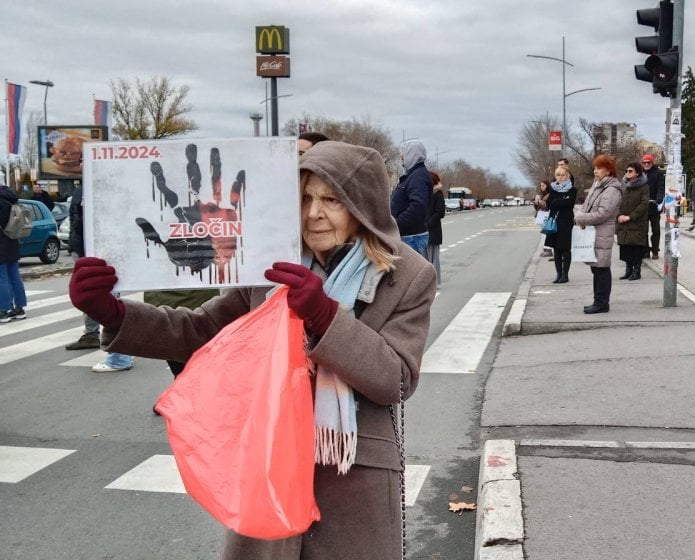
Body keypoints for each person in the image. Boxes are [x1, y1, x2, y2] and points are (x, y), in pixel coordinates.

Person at [68, 140, 437, 558]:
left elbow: (395, 379)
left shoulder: (407, 275)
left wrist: (325, 317)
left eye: (331, 200)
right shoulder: (270, 264)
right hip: (270, 462)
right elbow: (201, 329)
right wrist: (114, 313)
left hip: (353, 476)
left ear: (362, 206)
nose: (313, 213)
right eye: (303, 198)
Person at [62, 183, 135, 371]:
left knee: (111, 300)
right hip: (94, 250)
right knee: (98, 299)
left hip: (106, 251)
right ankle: (93, 336)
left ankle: (120, 357)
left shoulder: (101, 183)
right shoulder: (85, 186)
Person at [574, 154, 623, 314]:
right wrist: (580, 214)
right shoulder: (598, 185)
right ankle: (598, 301)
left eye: (599, 168)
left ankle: (602, 303)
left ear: (608, 171)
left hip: (602, 232)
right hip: (593, 232)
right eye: (595, 168)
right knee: (596, 268)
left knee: (602, 268)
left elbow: (603, 213)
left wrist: (581, 218)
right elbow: (586, 205)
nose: (595, 171)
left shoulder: (612, 189)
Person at [391, 141, 432, 255]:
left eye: (404, 154)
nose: (401, 157)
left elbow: (418, 207)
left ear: (412, 154)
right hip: (408, 237)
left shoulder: (418, 176)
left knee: (409, 272)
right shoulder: (412, 175)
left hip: (412, 239)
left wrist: (395, 225)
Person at [616, 162, 649, 281]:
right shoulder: (624, 186)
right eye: (626, 171)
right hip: (623, 221)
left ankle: (637, 270)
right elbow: (618, 201)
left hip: (636, 222)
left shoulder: (643, 187)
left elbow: (644, 204)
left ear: (637, 173)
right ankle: (628, 269)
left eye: (630, 171)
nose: (627, 173)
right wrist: (619, 215)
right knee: (626, 247)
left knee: (636, 247)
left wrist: (631, 216)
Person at [0, 183, 28, 323]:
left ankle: (4, 311)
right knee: (15, 277)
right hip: (13, 241)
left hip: (1, 244)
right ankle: (19, 308)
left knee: (2, 279)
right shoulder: (11, 199)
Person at [545, 166, 577, 284]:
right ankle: (558, 273)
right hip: (554, 221)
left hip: (566, 221)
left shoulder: (572, 189)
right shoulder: (552, 188)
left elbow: (569, 204)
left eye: (563, 175)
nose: (560, 177)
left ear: (567, 175)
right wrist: (560, 202)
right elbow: (549, 205)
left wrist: (557, 202)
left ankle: (565, 274)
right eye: (558, 175)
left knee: (565, 248)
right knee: (556, 249)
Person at [640, 154, 664, 259]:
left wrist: (658, 199)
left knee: (656, 230)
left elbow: (661, 188)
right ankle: (645, 251)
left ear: (652, 163)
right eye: (644, 162)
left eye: (648, 162)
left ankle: (655, 251)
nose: (646, 164)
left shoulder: (658, 174)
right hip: (643, 206)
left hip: (654, 205)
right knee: (643, 230)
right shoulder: (640, 174)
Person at [426, 172, 446, 285]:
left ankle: (436, 282)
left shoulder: (438, 194)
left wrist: (429, 223)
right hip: (425, 229)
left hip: (433, 230)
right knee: (426, 258)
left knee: (434, 258)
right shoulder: (427, 194)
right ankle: (428, 281)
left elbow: (440, 212)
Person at [534, 180, 553, 258]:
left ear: (547, 186)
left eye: (543, 185)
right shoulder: (542, 195)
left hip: (547, 215)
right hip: (542, 215)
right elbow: (537, 208)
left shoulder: (550, 194)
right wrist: (536, 202)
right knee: (543, 233)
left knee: (546, 232)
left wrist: (539, 201)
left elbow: (547, 205)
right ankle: (546, 249)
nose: (542, 187)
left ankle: (548, 250)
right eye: (541, 185)